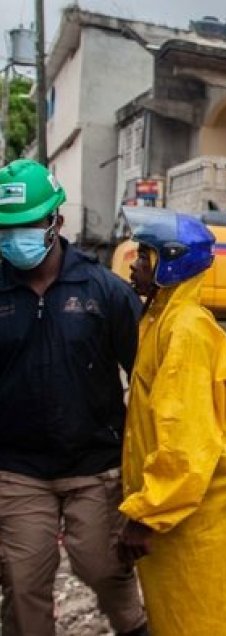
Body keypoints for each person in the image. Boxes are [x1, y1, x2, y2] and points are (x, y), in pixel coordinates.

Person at [117, 209, 226, 635]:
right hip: (202, 503)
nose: (134, 263)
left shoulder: (185, 331)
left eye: (145, 255)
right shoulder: (166, 320)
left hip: (206, 509)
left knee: (209, 613)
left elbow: (185, 441)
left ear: (170, 262)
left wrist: (147, 514)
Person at [0, 159, 147, 636]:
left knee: (104, 568)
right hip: (17, 469)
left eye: (26, 226)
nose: (14, 238)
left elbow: (147, 380)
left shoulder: (103, 290)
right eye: (6, 229)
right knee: (23, 582)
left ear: (56, 221)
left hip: (94, 465)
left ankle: (137, 628)